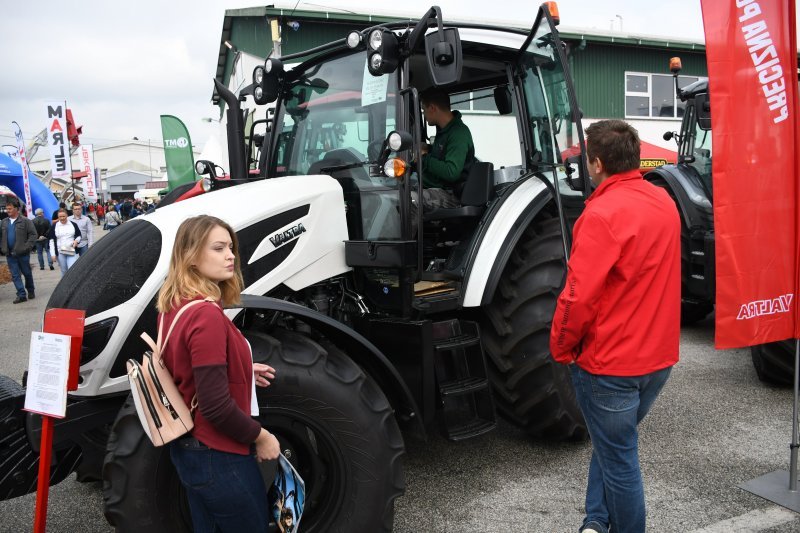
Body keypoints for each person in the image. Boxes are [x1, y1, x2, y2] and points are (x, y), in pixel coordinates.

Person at [549, 120, 680, 533]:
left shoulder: (601, 214)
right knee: (611, 445)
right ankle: (596, 521)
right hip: (658, 360)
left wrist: (561, 346)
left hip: (611, 365)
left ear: (598, 163)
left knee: (620, 460)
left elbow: (577, 296)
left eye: (588, 158)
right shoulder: (665, 203)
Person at [158, 214, 280, 532]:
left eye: (230, 247)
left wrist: (238, 368)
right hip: (219, 454)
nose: (231, 255)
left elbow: (184, 366)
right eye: (218, 248)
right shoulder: (206, 315)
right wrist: (262, 437)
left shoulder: (175, 304)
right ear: (192, 256)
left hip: (190, 450)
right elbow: (215, 406)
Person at [416, 87, 476, 211]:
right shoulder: (444, 130)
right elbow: (443, 154)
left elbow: (451, 172)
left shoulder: (459, 133)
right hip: (436, 188)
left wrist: (424, 158)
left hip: (452, 194)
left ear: (432, 108)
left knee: (409, 200)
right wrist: (428, 148)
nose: (424, 115)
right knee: (393, 195)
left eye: (424, 110)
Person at [0, 197, 37, 303]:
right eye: (7, 209)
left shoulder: (25, 221)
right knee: (15, 275)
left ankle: (30, 290)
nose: (8, 211)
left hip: (23, 254)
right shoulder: (4, 222)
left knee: (27, 273)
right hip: (9, 254)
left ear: (16, 208)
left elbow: (33, 235)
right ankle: (21, 294)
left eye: (10, 209)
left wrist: (26, 247)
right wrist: (2, 247)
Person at [48, 208, 81, 275]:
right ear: (58, 217)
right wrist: (53, 254)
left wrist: (76, 241)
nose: (62, 218)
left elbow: (79, 235)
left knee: (72, 269)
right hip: (60, 251)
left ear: (67, 216)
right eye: (60, 217)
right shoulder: (55, 226)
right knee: (64, 270)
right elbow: (51, 241)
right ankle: (64, 285)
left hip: (71, 249)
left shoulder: (73, 224)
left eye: (63, 216)